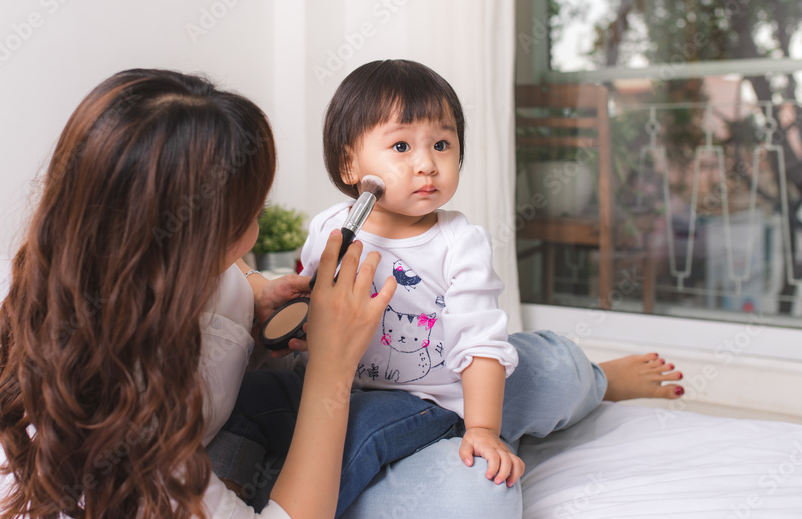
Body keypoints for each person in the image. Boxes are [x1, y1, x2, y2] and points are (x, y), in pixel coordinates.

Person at [209, 60, 685, 518]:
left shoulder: (459, 245)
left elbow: (478, 341)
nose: (427, 165)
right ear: (349, 164)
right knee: (252, 400)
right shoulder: (331, 226)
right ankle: (248, 491)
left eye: (441, 144)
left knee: (548, 372)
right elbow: (317, 306)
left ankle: (595, 383)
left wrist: (482, 430)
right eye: (401, 147)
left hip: (420, 398)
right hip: (322, 386)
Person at [0, 69, 398, 519]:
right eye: (253, 215)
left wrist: (257, 298)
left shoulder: (141, 261)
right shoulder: (128, 431)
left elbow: (231, 275)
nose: (253, 236)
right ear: (189, 246)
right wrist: (333, 369)